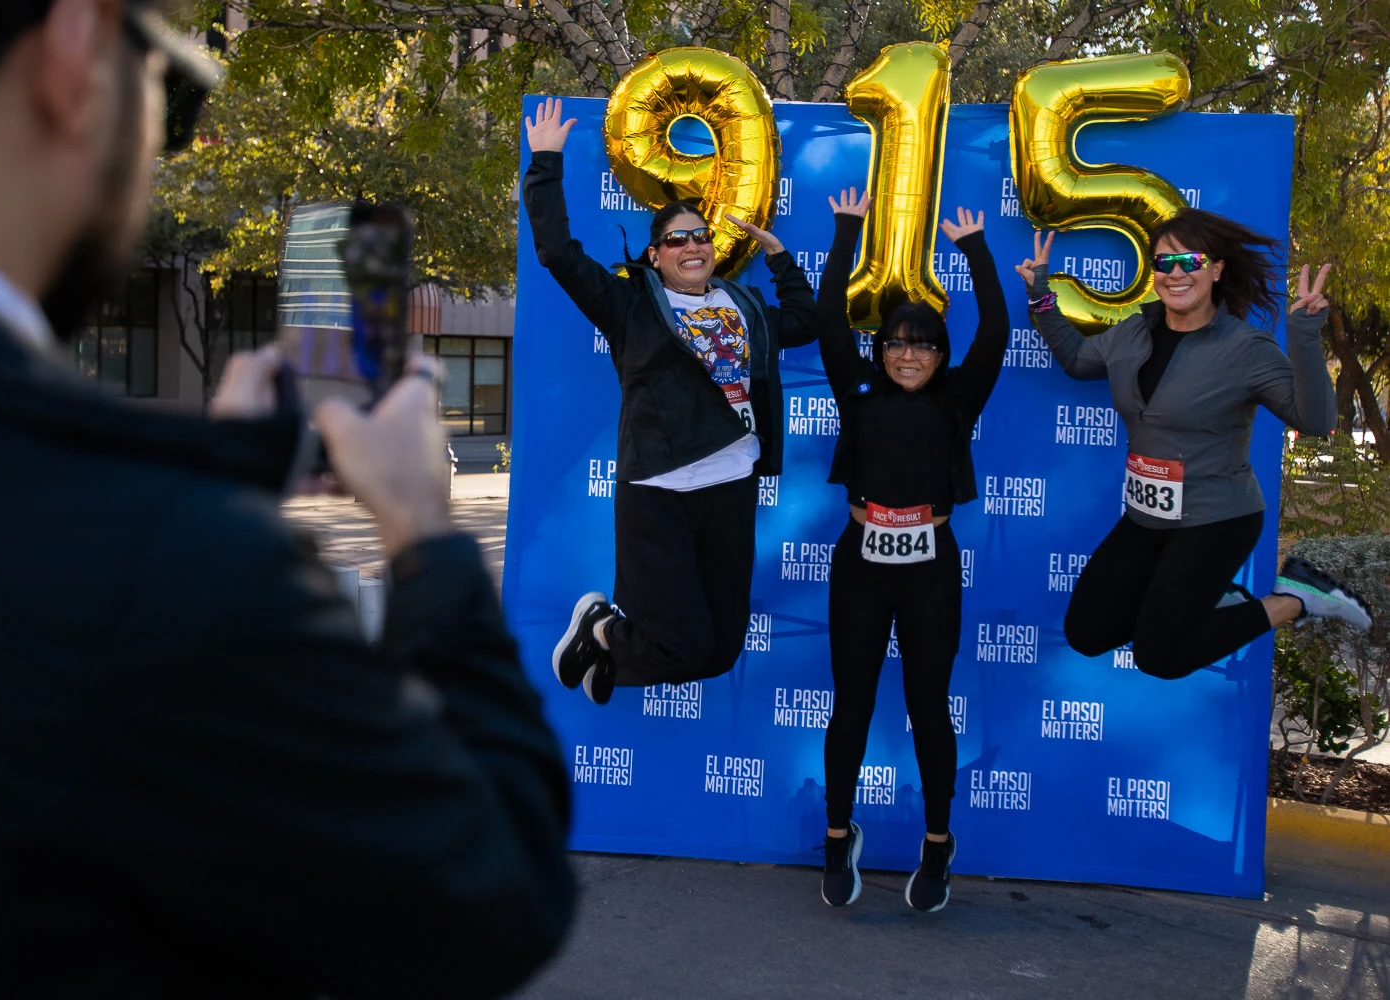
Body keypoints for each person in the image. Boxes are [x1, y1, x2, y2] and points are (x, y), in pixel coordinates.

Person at [0, 3, 573, 996]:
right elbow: (491, 882)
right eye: (168, 91)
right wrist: (425, 535)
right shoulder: (164, 570)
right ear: (74, 44)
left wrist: (203, 484)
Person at [522, 97, 817, 704]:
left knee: (720, 652)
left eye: (701, 236)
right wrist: (545, 162)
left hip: (731, 486)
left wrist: (780, 258)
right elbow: (556, 253)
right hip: (659, 489)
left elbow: (806, 322)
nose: (693, 246)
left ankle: (604, 649)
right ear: (655, 255)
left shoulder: (745, 306)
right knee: (678, 640)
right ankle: (601, 625)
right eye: (677, 239)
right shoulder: (631, 306)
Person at [1016, 209, 1372, 681]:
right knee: (1086, 632)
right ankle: (1215, 600)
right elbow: (1079, 360)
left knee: (1159, 655)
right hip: (1145, 519)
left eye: (1190, 259)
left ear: (1217, 269)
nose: (1177, 272)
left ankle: (1296, 598)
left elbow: (1315, 420)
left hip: (1216, 519)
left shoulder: (1245, 347)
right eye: (1164, 263)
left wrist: (1305, 336)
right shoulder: (1132, 332)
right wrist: (1040, 295)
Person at [814, 190, 1009, 912]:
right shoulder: (857, 393)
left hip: (930, 567)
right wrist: (845, 234)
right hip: (861, 563)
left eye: (922, 342)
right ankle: (837, 839)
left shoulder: (960, 399)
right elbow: (831, 315)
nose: (908, 353)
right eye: (896, 340)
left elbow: (995, 327)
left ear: (939, 353)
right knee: (852, 706)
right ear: (880, 349)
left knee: (929, 706)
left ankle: (937, 846)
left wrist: (978, 251)